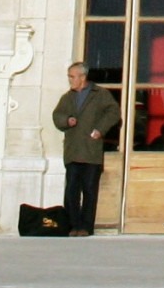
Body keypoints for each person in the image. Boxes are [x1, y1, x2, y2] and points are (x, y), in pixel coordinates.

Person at [51, 60, 122, 237]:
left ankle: (86, 227)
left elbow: (113, 112)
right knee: (71, 192)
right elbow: (57, 115)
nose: (70, 80)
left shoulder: (100, 94)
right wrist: (67, 120)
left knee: (90, 191)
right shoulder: (68, 97)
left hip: (91, 152)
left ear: (83, 77)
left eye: (72, 77)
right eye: (69, 77)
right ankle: (73, 225)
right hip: (73, 151)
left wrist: (100, 129)